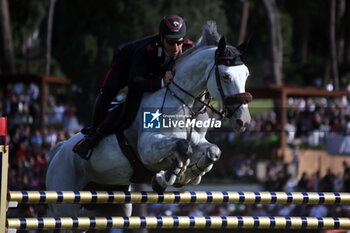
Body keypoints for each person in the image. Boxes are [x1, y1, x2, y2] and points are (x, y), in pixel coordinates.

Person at [74, 15, 193, 159]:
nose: (176, 47)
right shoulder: (146, 50)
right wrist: (161, 82)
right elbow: (134, 82)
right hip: (126, 65)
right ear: (161, 38)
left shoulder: (187, 48)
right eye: (171, 42)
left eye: (179, 42)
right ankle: (93, 135)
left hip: (153, 70)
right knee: (108, 91)